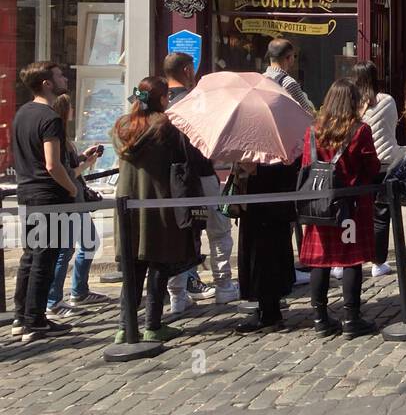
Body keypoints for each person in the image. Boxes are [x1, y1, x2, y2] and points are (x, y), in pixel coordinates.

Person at [112, 78, 201, 344]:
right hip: (157, 201)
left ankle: (124, 326)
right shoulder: (166, 126)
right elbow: (183, 164)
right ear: (162, 99)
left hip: (128, 204)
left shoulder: (122, 126)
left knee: (133, 268)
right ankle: (152, 324)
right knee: (158, 265)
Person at [298, 80, 381, 335]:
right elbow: (372, 167)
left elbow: (305, 164)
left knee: (320, 262)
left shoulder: (313, 130)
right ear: (353, 101)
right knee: (350, 260)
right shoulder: (360, 130)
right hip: (349, 207)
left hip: (319, 206)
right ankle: (351, 319)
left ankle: (320, 320)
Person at [163, 51, 238, 314]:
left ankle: (178, 294)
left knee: (181, 235)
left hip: (172, 180)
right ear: (186, 70)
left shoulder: (160, 102)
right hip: (202, 175)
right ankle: (224, 286)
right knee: (219, 232)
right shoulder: (194, 101)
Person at [10, 62, 79, 342]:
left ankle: (21, 316)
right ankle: (35, 320)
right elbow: (53, 164)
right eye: (59, 75)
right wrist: (72, 188)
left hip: (27, 191)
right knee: (44, 258)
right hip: (48, 196)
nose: (64, 78)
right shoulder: (49, 118)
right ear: (47, 83)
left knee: (31, 256)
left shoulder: (22, 113)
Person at [45, 93, 107, 315]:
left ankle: (79, 291)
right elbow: (62, 171)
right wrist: (86, 164)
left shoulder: (63, 136)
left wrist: (83, 156)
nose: (74, 110)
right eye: (71, 106)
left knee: (90, 242)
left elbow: (69, 164)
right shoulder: (55, 135)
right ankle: (54, 300)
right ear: (64, 109)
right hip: (70, 199)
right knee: (65, 250)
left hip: (77, 200)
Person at [234, 158, 299, 333]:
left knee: (265, 262)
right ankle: (268, 308)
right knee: (265, 260)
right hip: (265, 208)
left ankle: (270, 313)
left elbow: (285, 171)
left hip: (268, 209)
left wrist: (254, 170)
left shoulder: (274, 150)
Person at [352, 61, 400, 278]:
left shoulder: (351, 103)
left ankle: (349, 258)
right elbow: (393, 125)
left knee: (352, 213)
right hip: (383, 163)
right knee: (381, 215)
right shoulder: (387, 100)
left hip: (358, 165)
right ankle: (378, 263)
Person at [265, 37, 315, 113]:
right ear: (289, 58)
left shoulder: (261, 79)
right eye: (294, 55)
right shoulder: (289, 83)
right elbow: (307, 112)